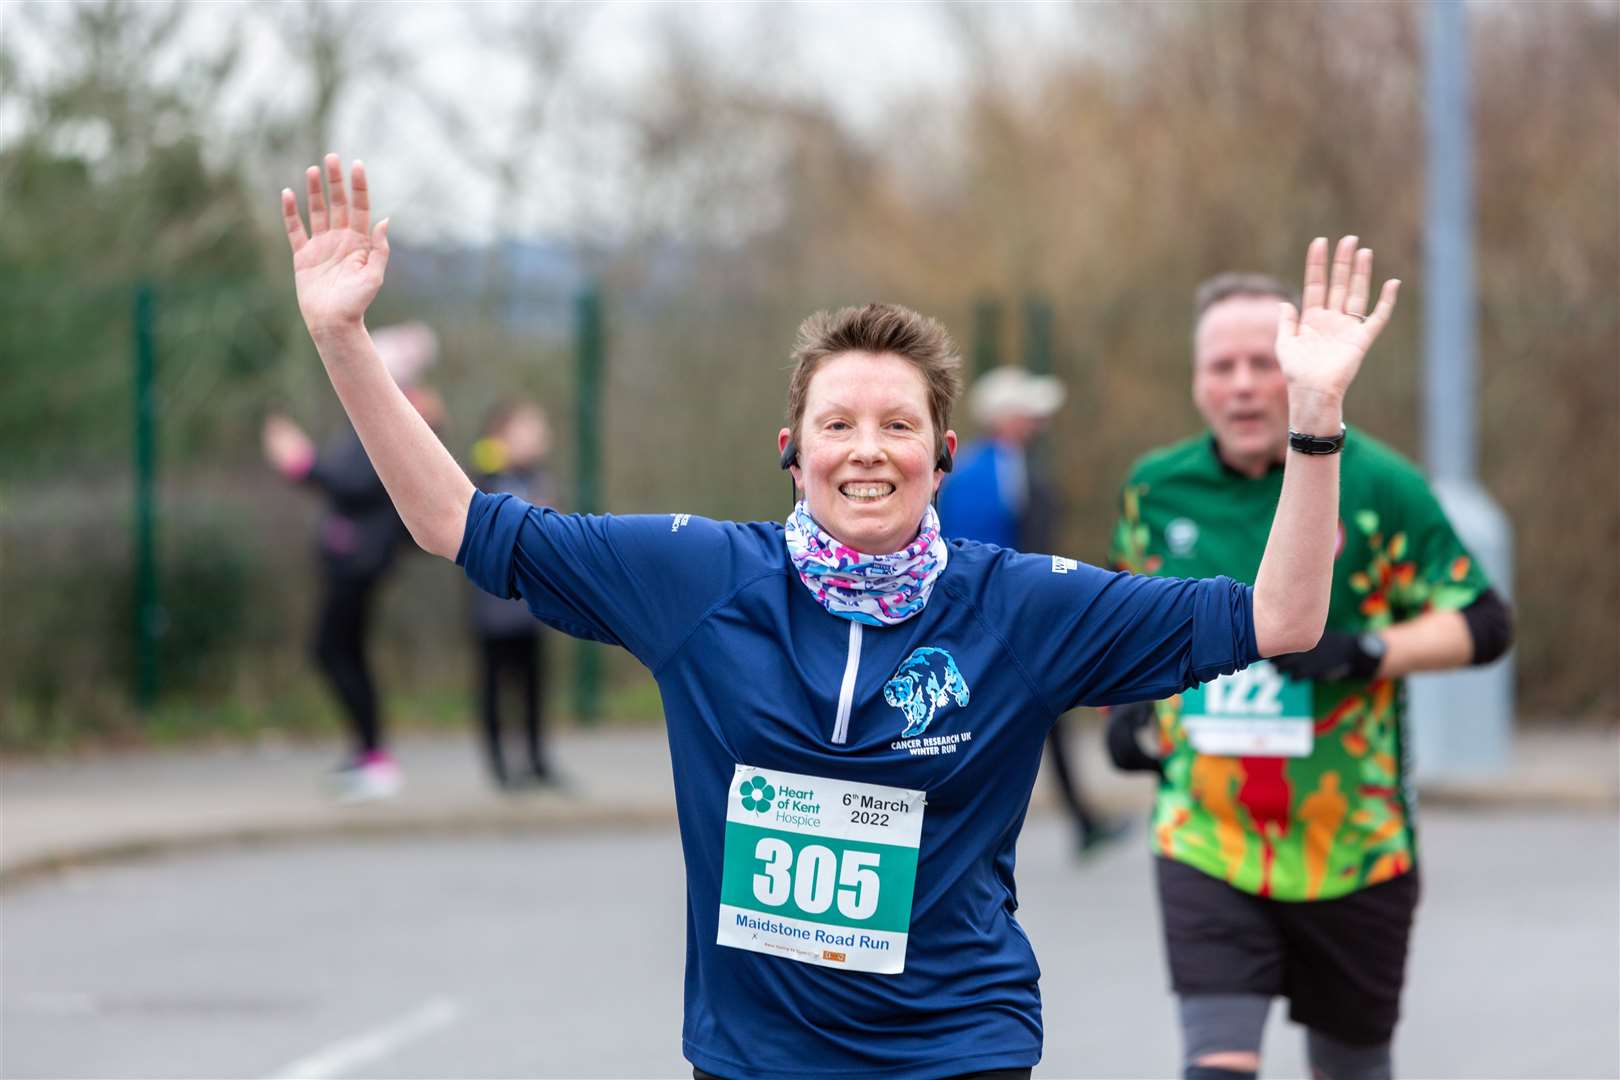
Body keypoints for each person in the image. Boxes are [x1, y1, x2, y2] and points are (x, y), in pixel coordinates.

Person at [279, 152, 1397, 1080]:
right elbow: (456, 524)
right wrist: (344, 342)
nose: (868, 449)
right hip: (757, 1058)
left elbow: (1285, 618)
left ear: (944, 456)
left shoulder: (1018, 606)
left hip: (960, 1046)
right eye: (838, 423)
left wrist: (1314, 421)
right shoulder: (699, 582)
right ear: (792, 451)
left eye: (899, 426)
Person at [1104, 272, 1513, 1080]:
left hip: (1353, 845)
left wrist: (1367, 652)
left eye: (1267, 362)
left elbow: (1483, 622)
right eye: (1222, 366)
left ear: (1302, 366)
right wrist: (1129, 704)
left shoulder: (1379, 485)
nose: (1246, 385)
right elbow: (1129, 610)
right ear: (1196, 381)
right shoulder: (1155, 489)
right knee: (1214, 1068)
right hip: (1206, 835)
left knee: (1352, 1070)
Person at [939, 367, 1123, 854]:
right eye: (1029, 412)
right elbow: (1009, 554)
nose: (1039, 422)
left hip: (987, 621)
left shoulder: (970, 472)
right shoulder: (1002, 472)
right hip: (1008, 622)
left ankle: (1081, 823)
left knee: (1036, 717)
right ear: (1006, 418)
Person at [261, 321, 443, 803]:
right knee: (344, 652)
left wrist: (300, 464)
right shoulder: (374, 416)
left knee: (334, 650)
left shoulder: (391, 416)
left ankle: (374, 756)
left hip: (361, 561)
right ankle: (368, 753)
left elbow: (357, 484)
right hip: (352, 558)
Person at [468, 401, 557, 788]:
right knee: (493, 685)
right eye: (528, 429)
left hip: (533, 609)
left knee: (534, 686)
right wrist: (495, 453)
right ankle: (499, 767)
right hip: (493, 608)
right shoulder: (488, 474)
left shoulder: (537, 478)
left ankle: (537, 763)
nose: (539, 437)